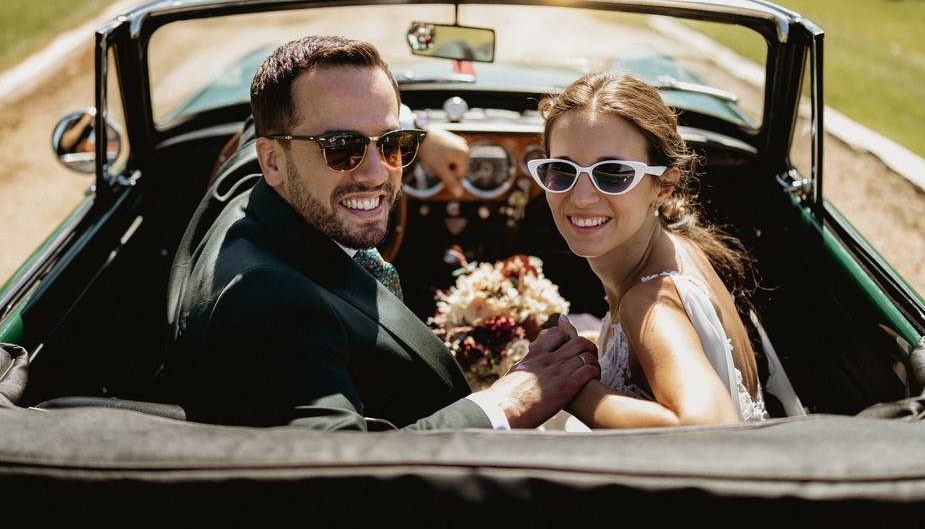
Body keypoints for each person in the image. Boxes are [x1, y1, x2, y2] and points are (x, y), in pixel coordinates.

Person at [165, 35, 599, 431]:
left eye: (393, 144)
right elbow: (343, 469)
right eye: (342, 149)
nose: (377, 174)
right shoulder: (269, 303)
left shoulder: (250, 186)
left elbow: (259, 123)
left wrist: (420, 133)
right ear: (273, 160)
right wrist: (505, 403)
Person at [527, 73, 768, 427]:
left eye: (612, 174)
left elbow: (708, 427)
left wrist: (568, 388)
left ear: (664, 185)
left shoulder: (650, 303)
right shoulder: (682, 248)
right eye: (562, 172)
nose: (581, 197)